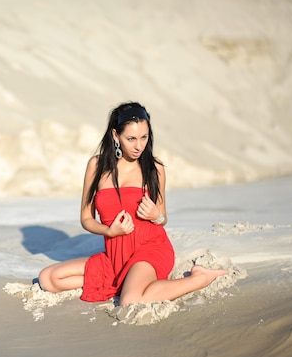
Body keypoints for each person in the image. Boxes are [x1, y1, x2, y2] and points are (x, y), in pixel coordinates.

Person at [38, 101, 227, 305]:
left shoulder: (155, 168)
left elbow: (163, 219)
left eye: (144, 137)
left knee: (130, 300)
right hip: (115, 255)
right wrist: (109, 231)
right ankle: (124, 281)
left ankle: (200, 278)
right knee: (48, 279)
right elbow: (86, 218)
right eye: (131, 139)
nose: (139, 146)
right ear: (115, 135)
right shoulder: (97, 166)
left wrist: (157, 215)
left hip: (150, 249)